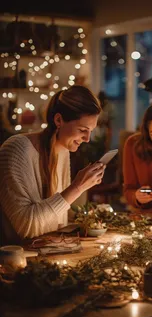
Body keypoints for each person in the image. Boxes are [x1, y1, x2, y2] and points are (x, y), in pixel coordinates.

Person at [0, 85, 105, 245]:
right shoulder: (16, 149)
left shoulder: (62, 151)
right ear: (58, 120)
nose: (87, 139)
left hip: (50, 250)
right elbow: (27, 228)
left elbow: (58, 220)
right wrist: (78, 187)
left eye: (91, 130)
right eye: (83, 129)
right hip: (19, 258)